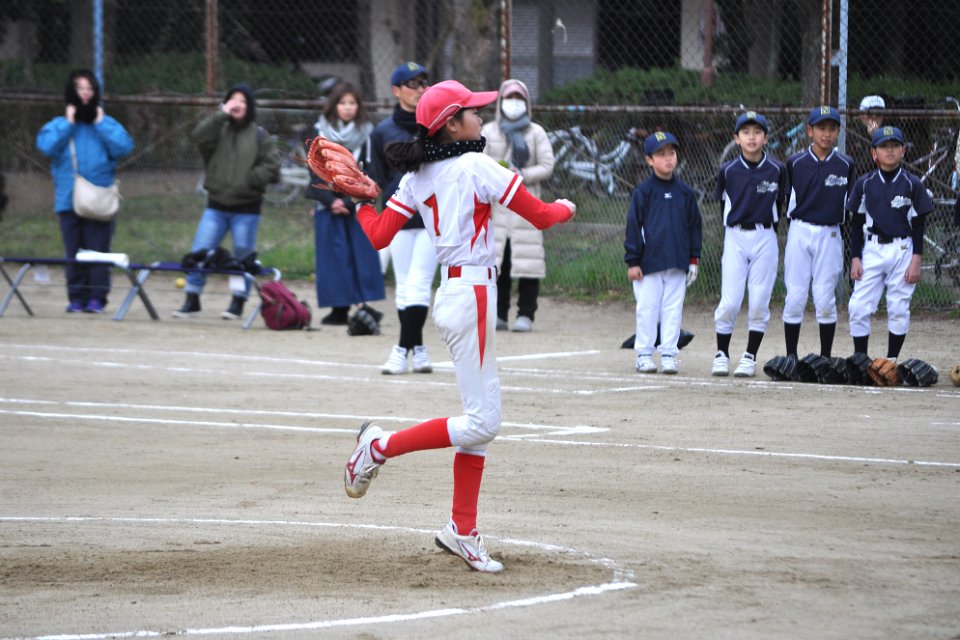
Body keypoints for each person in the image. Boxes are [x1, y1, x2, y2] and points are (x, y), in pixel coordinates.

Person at [344, 80, 576, 572]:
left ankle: (461, 530)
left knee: (479, 424)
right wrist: (566, 208)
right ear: (452, 124)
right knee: (483, 421)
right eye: (471, 111)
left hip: (456, 293)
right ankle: (377, 448)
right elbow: (541, 216)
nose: (480, 117)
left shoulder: (418, 175)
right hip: (471, 294)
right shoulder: (475, 164)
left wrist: (364, 203)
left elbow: (379, 235)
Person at [172, 83, 280, 319]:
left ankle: (237, 301)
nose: (237, 104)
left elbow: (272, 165)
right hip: (216, 206)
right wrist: (221, 114)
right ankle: (192, 297)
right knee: (200, 251)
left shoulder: (260, 135)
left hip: (247, 208)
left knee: (242, 256)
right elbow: (198, 136)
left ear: (250, 106)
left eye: (243, 100)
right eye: (233, 99)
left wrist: (251, 179)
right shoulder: (217, 130)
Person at [36, 69, 134, 313]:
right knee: (74, 252)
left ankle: (97, 298)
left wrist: (101, 124)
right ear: (71, 92)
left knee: (98, 250)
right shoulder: (58, 125)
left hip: (98, 199)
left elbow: (124, 147)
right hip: (68, 199)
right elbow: (46, 146)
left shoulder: (105, 123)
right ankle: (76, 297)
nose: (85, 93)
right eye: (80, 88)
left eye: (89, 88)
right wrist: (68, 124)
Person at [368, 62, 437, 374]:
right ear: (396, 91)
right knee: (404, 285)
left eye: (423, 83)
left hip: (430, 216)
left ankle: (400, 351)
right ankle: (418, 348)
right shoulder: (382, 132)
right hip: (398, 217)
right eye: (412, 84)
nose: (420, 89)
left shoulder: (434, 127)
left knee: (420, 283)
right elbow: (378, 179)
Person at [778, 106, 855, 370]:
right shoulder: (795, 163)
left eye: (832, 128)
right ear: (810, 131)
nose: (826, 133)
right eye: (821, 128)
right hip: (800, 230)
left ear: (838, 132)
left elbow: (850, 206)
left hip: (830, 232)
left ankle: (825, 357)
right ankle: (791, 355)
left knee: (825, 298)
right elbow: (786, 201)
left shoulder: (845, 164)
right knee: (795, 295)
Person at [846, 126, 933, 361]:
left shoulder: (912, 184)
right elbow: (856, 224)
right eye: (884, 146)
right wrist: (855, 258)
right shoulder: (864, 183)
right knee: (858, 306)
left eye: (895, 146)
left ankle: (891, 360)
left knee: (898, 307)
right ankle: (860, 359)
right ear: (874, 153)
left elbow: (919, 224)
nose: (890, 150)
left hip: (903, 249)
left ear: (903, 151)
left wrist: (916, 259)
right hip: (872, 248)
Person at [712, 111, 786, 377]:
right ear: (736, 139)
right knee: (730, 302)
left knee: (758, 302)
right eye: (745, 132)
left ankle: (749, 356)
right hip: (735, 236)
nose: (751, 137)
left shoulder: (777, 169)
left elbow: (780, 203)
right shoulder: (728, 170)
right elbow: (722, 204)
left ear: (766, 138)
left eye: (757, 132)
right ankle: (722, 354)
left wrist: (768, 231)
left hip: (765, 236)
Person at [306, 81, 385, 327]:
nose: (348, 107)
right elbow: (314, 173)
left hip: (356, 204)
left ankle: (364, 305)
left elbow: (371, 171)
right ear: (334, 105)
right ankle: (338, 308)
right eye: (343, 103)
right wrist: (330, 201)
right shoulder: (319, 132)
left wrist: (350, 201)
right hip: (327, 205)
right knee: (332, 257)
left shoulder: (367, 134)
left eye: (352, 103)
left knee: (360, 254)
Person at [624, 131, 702, 374]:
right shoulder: (644, 192)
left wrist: (693, 259)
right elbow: (633, 227)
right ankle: (644, 354)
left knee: (673, 310)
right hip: (649, 263)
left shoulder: (685, 192)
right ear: (649, 160)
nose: (668, 158)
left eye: (671, 153)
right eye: (660, 154)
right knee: (647, 310)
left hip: (677, 261)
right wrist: (633, 261)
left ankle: (668, 353)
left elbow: (694, 226)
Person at [481, 78, 555, 332]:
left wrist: (522, 175)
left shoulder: (536, 132)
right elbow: (480, 163)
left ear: (526, 102)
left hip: (526, 204)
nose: (514, 103)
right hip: (497, 206)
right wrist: (498, 174)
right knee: (499, 263)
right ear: (501, 101)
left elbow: (547, 165)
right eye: (509, 98)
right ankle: (499, 313)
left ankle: (526, 313)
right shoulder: (489, 131)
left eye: (519, 98)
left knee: (528, 263)